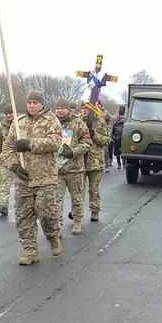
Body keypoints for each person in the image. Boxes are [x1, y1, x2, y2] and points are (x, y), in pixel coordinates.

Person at [4, 90, 63, 265]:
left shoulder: (51, 120)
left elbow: (55, 142)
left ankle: (53, 237)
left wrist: (29, 144)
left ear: (41, 104)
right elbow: (7, 147)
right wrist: (14, 166)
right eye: (29, 103)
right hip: (23, 178)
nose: (31, 106)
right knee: (23, 216)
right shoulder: (18, 122)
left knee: (46, 213)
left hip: (45, 177)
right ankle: (30, 251)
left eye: (34, 103)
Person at [57, 100, 92, 235]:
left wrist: (73, 151)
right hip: (57, 170)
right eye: (58, 108)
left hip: (75, 169)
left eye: (63, 108)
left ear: (69, 110)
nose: (60, 111)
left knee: (77, 198)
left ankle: (77, 221)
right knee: (56, 200)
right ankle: (57, 226)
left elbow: (87, 142)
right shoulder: (53, 123)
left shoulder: (78, 123)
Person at [82, 106, 111, 222]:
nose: (84, 110)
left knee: (93, 188)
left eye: (87, 108)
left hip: (95, 161)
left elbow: (107, 140)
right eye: (82, 108)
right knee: (78, 188)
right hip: (80, 160)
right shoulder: (78, 122)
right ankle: (77, 210)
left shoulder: (100, 122)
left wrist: (94, 135)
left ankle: (94, 210)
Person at [0, 104, 16, 216]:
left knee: (21, 184)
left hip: (20, 158)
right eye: (6, 113)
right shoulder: (2, 125)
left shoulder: (22, 123)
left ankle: (22, 207)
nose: (8, 115)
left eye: (10, 113)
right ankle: (3, 205)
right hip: (6, 158)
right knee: (5, 181)